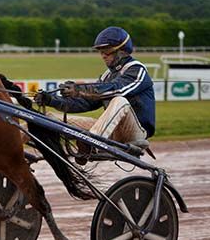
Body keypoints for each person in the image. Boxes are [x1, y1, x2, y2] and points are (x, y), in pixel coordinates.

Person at [35, 26, 155, 164]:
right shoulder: (107, 76)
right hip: (111, 131)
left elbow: (118, 89)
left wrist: (78, 89)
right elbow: (86, 103)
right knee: (46, 118)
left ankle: (91, 142)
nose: (103, 55)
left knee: (119, 100)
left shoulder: (137, 70)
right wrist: (51, 100)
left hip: (134, 132)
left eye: (107, 51)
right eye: (101, 51)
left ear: (122, 50)